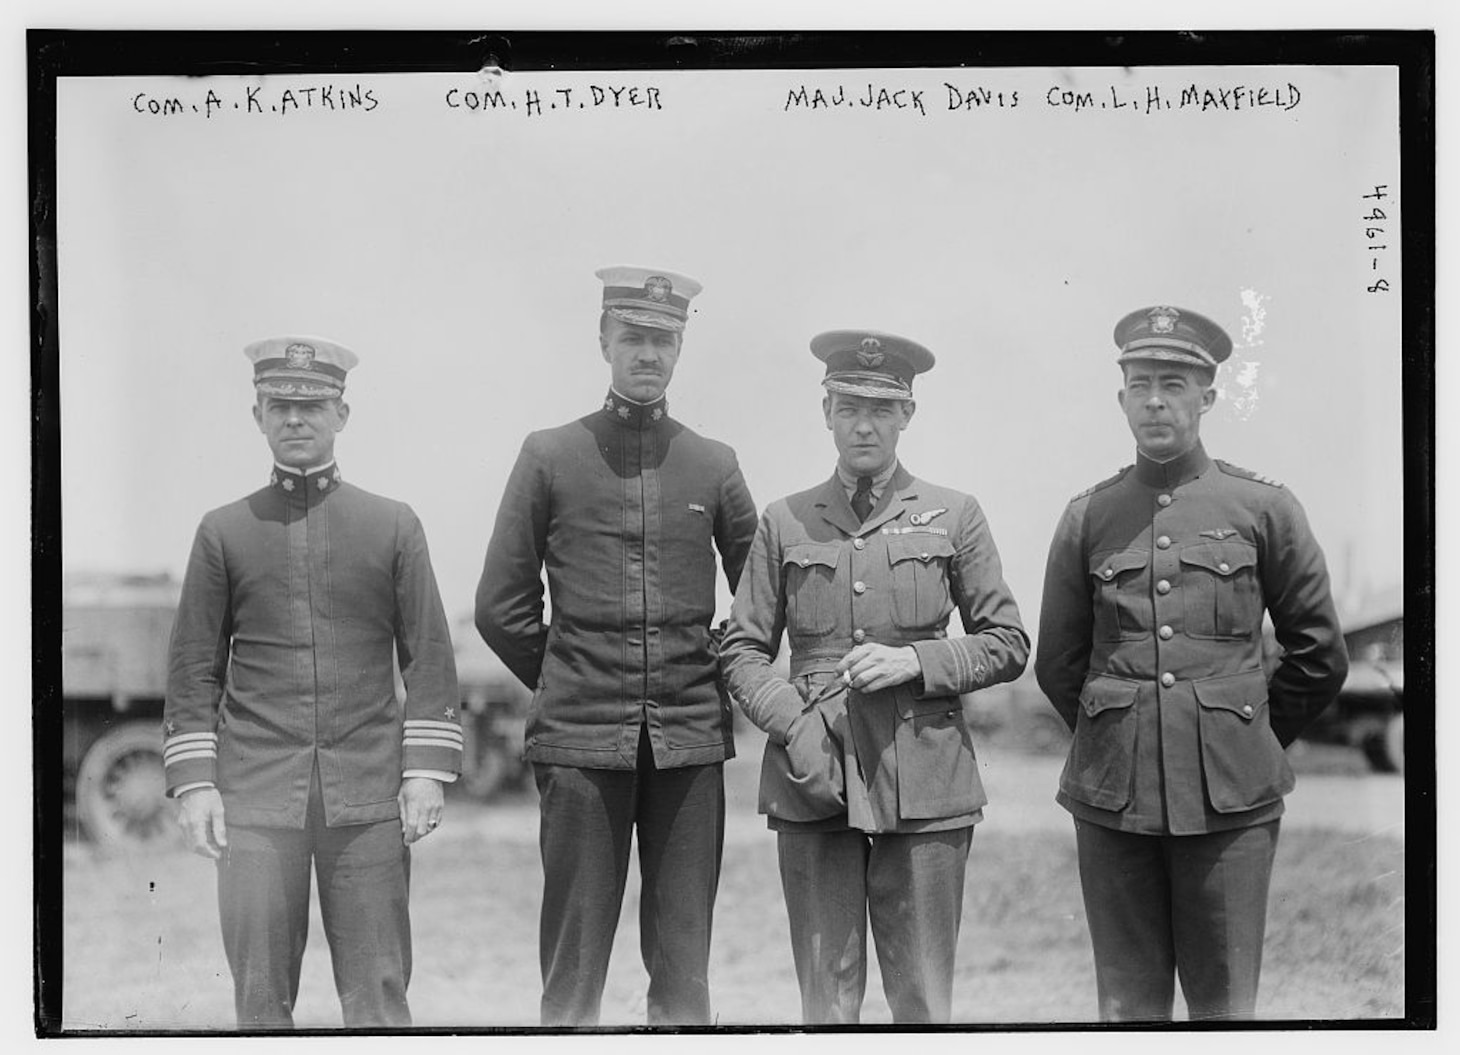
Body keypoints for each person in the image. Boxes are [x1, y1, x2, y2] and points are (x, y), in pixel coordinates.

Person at [1034, 304, 1349, 1022]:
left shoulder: (1263, 507)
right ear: (1120, 399)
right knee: (1128, 1008)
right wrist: (1120, 736)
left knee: (1226, 1008)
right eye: (1140, 383)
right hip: (1114, 804)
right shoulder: (1088, 516)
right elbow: (1059, 663)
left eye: (1173, 383)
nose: (1154, 400)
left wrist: (1243, 736)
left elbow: (1318, 652)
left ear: (1207, 397)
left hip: (1231, 804)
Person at [474, 266, 758, 1026]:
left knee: (684, 967)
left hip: (690, 745)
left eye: (663, 339)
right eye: (633, 336)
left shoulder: (714, 463)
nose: (648, 353)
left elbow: (764, 596)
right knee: (573, 968)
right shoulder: (549, 454)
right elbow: (499, 604)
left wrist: (724, 666)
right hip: (578, 744)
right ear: (604, 340)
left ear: (680, 348)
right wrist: (571, 678)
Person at [719, 329, 1029, 1024]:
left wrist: (917, 660)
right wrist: (795, 724)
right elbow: (741, 648)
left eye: (882, 409)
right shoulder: (785, 519)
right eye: (849, 406)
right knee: (825, 1000)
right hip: (815, 774)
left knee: (922, 997)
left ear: (907, 415)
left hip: (925, 776)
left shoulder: (954, 513)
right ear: (825, 411)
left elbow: (1008, 642)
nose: (865, 423)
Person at [162, 336, 462, 1029]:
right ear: (258, 415)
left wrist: (424, 773)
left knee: (380, 995)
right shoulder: (224, 531)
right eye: (281, 405)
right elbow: (192, 670)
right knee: (260, 1001)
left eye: (313, 405)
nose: (296, 418)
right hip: (256, 800)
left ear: (343, 413)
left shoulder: (391, 523)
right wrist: (198, 783)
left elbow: (429, 654)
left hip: (367, 797)